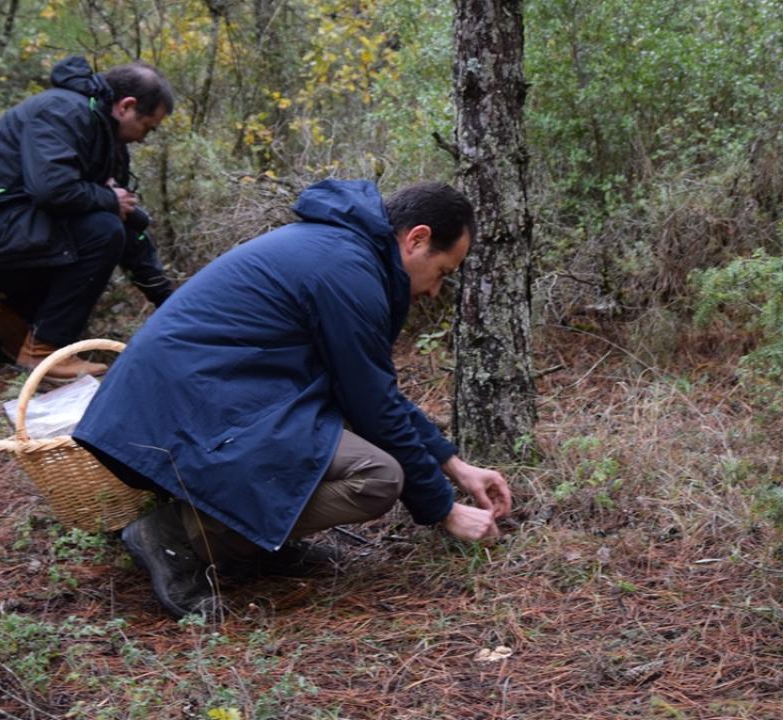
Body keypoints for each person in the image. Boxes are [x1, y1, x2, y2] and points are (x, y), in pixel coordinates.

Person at [73, 179, 513, 619]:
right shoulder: (348, 270)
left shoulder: (345, 253)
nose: (436, 291)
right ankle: (177, 534)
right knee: (377, 478)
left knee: (328, 438)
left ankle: (256, 540)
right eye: (443, 273)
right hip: (185, 408)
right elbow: (374, 408)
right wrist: (442, 509)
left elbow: (374, 392)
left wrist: (454, 466)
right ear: (417, 239)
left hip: (188, 402)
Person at [0, 55, 176, 381]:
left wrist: (168, 300)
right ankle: (46, 349)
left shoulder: (105, 137)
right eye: (147, 127)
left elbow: (126, 225)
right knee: (101, 230)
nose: (144, 138)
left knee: (107, 225)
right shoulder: (63, 111)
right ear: (127, 106)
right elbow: (52, 191)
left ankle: (9, 327)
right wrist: (108, 200)